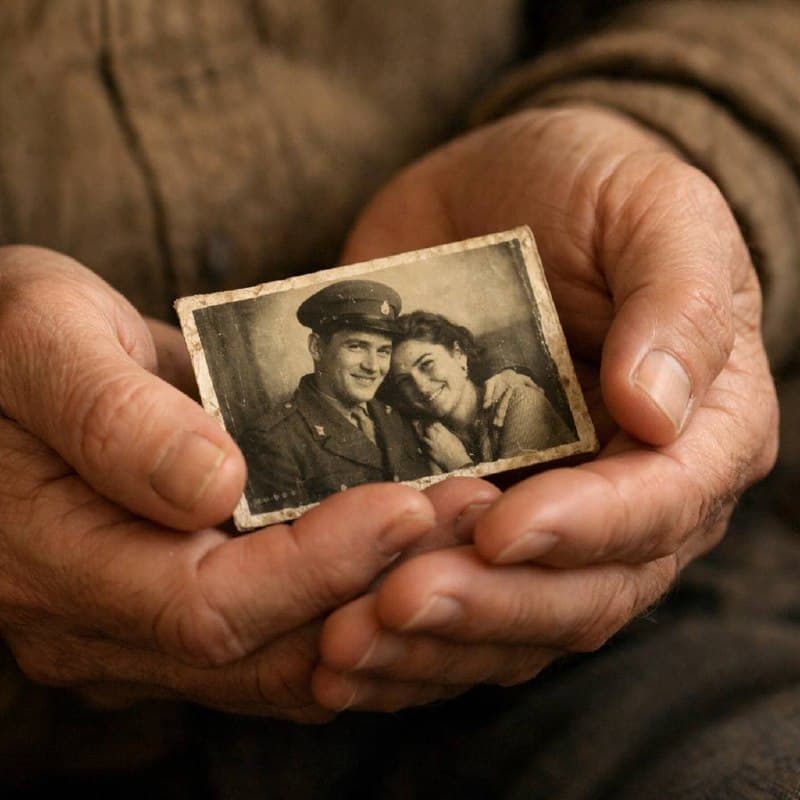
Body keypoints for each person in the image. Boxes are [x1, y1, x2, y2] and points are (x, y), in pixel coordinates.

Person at [0, 2, 798, 798]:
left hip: (665, 635)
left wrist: (668, 147)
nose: (382, 370)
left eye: (389, 354)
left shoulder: (440, 415)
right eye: (363, 350)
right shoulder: (278, 438)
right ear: (319, 350)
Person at [242, 280, 431, 512]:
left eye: (383, 351)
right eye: (356, 346)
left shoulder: (395, 412)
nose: (373, 366)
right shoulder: (273, 440)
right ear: (317, 348)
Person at [389, 310, 575, 471]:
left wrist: (459, 464)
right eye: (404, 380)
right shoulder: (433, 438)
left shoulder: (520, 400)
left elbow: (521, 493)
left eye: (426, 364)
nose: (420, 386)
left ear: (459, 355)